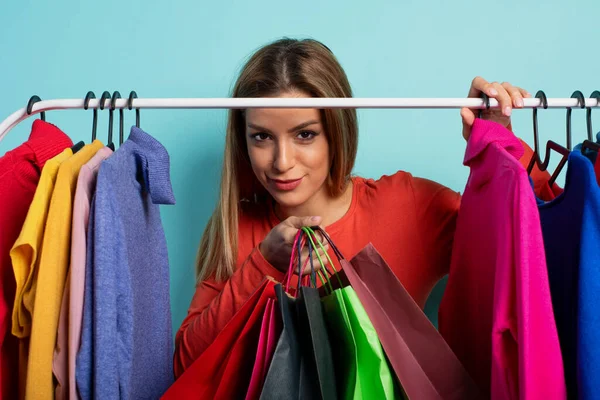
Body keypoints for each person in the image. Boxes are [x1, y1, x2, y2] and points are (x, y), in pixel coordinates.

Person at [173, 37, 551, 376]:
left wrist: (500, 144)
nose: (282, 161)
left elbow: (535, 243)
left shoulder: (408, 206)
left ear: (337, 130)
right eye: (262, 137)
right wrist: (262, 264)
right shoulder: (240, 227)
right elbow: (186, 366)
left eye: (305, 134)